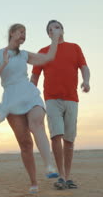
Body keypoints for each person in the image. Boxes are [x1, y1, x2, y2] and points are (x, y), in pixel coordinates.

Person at [0, 23, 60, 194]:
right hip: (11, 98)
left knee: (37, 124)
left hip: (28, 93)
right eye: (21, 32)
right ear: (12, 33)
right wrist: (3, 64)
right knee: (25, 143)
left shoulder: (25, 55)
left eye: (25, 33)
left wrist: (55, 38)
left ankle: (49, 165)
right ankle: (34, 181)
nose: (23, 35)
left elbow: (48, 58)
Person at [31, 20, 90, 190]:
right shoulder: (43, 52)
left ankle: (67, 176)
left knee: (69, 139)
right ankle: (61, 176)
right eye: (50, 30)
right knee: (56, 136)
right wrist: (29, 96)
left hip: (72, 99)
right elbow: (34, 77)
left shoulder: (74, 48)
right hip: (52, 99)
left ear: (62, 30)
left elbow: (84, 67)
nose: (53, 31)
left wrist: (86, 81)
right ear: (49, 35)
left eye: (56, 27)